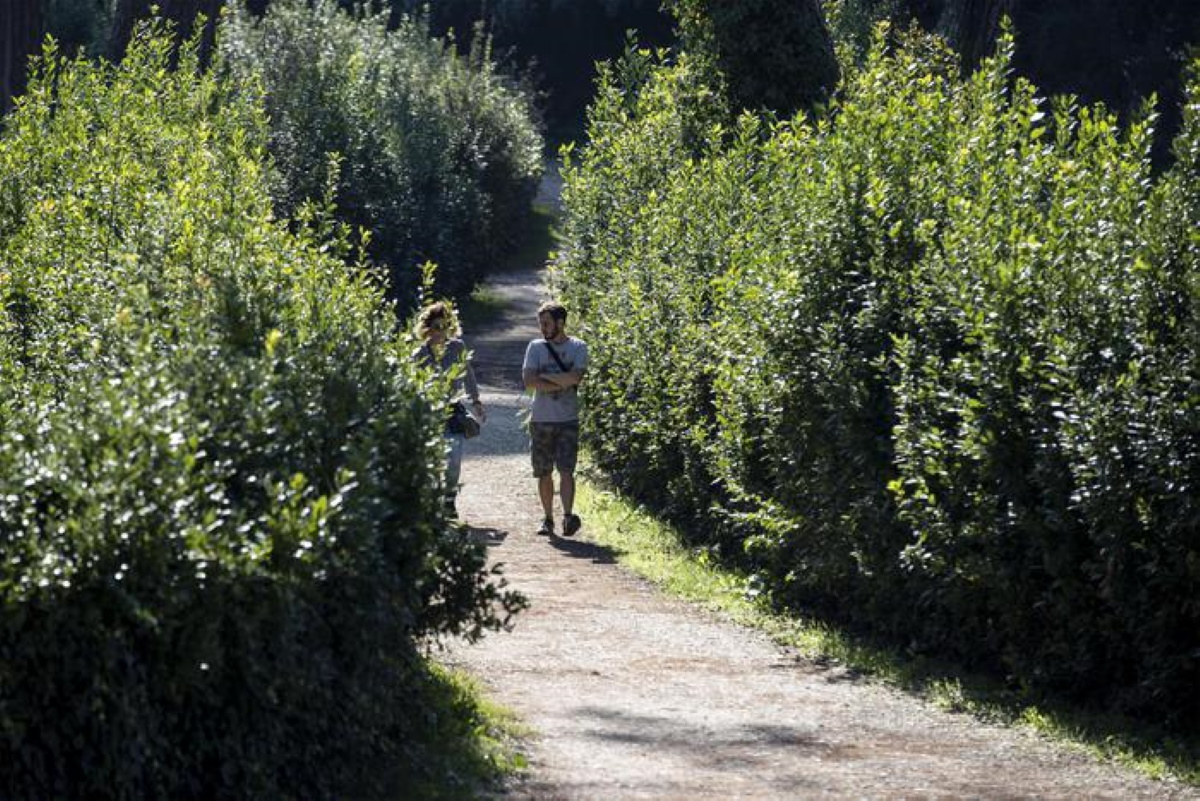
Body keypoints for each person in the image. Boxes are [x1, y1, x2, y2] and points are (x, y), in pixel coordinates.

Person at [522, 301, 588, 537]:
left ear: (560, 323)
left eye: (547, 323)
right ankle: (548, 518)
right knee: (543, 472)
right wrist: (562, 380)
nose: (542, 328)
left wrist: (546, 378)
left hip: (568, 419)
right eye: (541, 323)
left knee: (567, 470)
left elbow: (577, 377)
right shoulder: (535, 347)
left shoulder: (578, 347)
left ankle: (568, 516)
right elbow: (529, 381)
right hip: (540, 419)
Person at [414, 302, 486, 516]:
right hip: (428, 413)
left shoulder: (457, 347)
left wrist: (476, 402)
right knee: (432, 461)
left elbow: (468, 375)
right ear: (427, 328)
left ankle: (449, 500)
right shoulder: (419, 354)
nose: (441, 331)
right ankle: (432, 503)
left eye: (445, 325)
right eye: (436, 326)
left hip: (452, 411)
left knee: (453, 459)